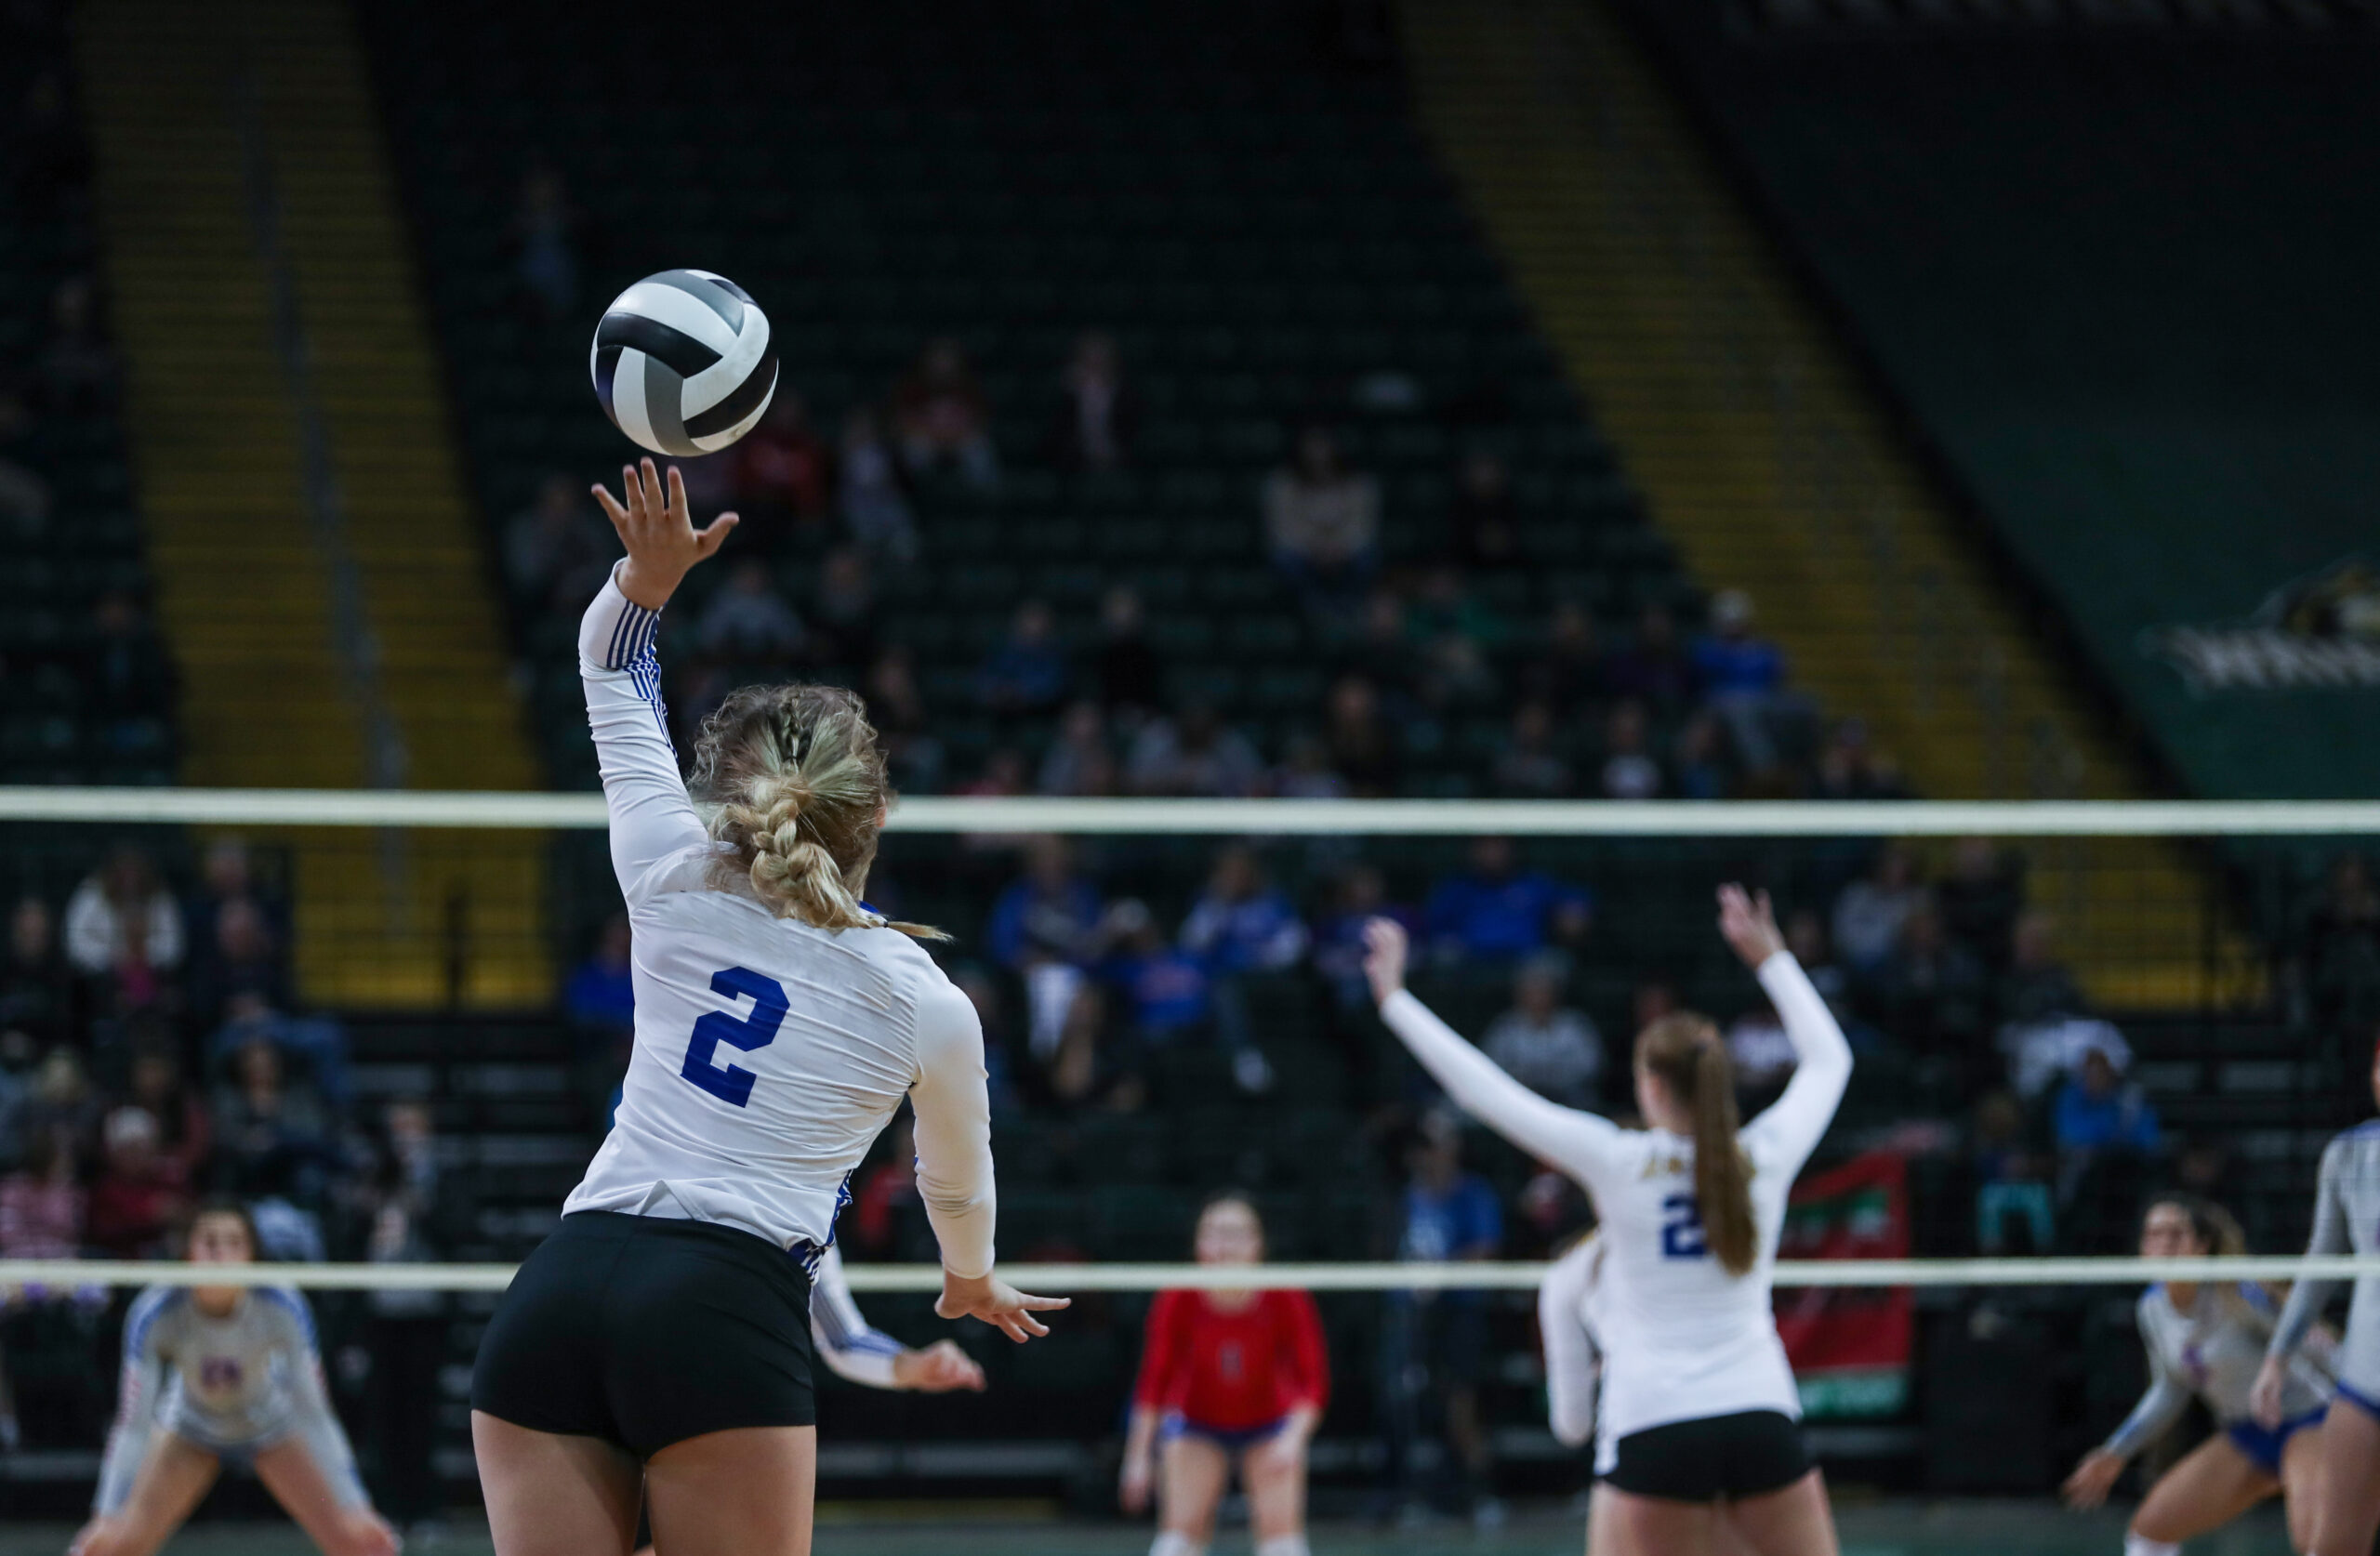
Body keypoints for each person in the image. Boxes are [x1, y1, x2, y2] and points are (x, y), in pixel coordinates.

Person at [470, 458, 1062, 1556]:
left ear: (732, 794)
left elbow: (611, 674)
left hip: (558, 1289)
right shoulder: (920, 996)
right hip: (719, 1311)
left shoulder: (668, 866)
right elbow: (954, 1184)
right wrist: (969, 1281)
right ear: (879, 809)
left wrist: (640, 586)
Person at [1363, 885, 1852, 1556]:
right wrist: (1772, 959)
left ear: (1651, 1086)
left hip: (1657, 1422)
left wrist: (1396, 1000)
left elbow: (1487, 1090)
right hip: (1760, 1414)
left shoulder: (1619, 1160)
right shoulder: (1762, 1157)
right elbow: (1831, 1060)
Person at [71, 1200, 397, 1556]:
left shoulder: (282, 1304)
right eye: (209, 1241)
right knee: (111, 1547)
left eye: (233, 1243)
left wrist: (355, 1504)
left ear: (251, 1255)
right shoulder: (156, 1311)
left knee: (362, 1543)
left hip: (272, 1426)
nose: (220, 1254)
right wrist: (106, 1513)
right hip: (190, 1427)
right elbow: (132, 1425)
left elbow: (314, 1416)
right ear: (188, 1252)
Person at [2062, 1196, 2332, 1556]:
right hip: (2247, 1433)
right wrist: (2116, 1452)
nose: (2163, 1245)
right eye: (2153, 1235)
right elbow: (2171, 1388)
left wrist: (2365, 1415)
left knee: (2320, 1543)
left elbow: (2320, 1347)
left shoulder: (2238, 1294)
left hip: (2311, 1422)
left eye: (2175, 1235)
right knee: (2150, 1531)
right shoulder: (2152, 1308)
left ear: (2201, 1247)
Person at [1121, 1194, 1328, 1556]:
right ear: (1199, 1244)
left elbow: (1313, 1383)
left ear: (1257, 1244)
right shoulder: (1177, 1296)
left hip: (1270, 1423)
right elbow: (1154, 1382)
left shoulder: (1286, 1294)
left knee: (1283, 1539)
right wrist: (1137, 1458)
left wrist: (1293, 1439)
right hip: (1196, 1423)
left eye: (1236, 1234)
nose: (1225, 1246)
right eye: (1215, 1234)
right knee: (1181, 1535)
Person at [2251, 1038, 2380, 1556]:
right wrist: (2278, 1356)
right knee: (2334, 1546)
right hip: (2364, 1387)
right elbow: (2319, 1266)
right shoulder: (2348, 1154)